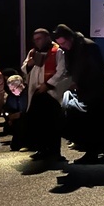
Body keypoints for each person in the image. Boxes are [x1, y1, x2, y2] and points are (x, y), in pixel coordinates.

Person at [53, 24, 104, 164]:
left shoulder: (88, 47)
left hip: (96, 92)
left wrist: (78, 82)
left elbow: (96, 71)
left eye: (64, 43)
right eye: (60, 44)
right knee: (93, 123)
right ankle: (98, 149)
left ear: (70, 38)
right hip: (86, 91)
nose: (63, 46)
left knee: (93, 123)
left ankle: (92, 153)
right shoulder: (73, 49)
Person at [22, 28, 70, 160]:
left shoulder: (57, 51)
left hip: (50, 93)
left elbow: (61, 71)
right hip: (36, 91)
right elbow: (24, 69)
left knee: (52, 123)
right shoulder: (33, 52)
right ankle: (42, 149)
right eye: (35, 39)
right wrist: (30, 63)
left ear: (47, 38)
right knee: (39, 123)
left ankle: (55, 152)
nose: (37, 41)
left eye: (39, 38)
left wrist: (47, 84)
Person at [4, 75, 29, 151]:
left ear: (21, 85)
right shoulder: (11, 96)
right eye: (11, 90)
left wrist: (20, 114)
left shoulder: (27, 94)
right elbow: (7, 109)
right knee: (14, 146)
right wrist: (9, 117)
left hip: (26, 120)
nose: (13, 91)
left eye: (14, 89)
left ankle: (27, 143)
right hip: (16, 121)